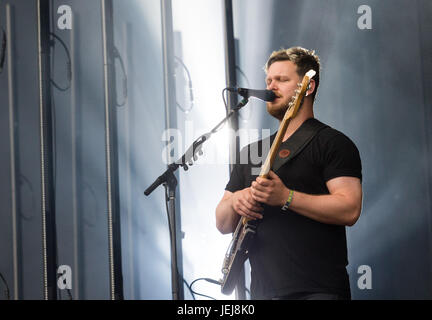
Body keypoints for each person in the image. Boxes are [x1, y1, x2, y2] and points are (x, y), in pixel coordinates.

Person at [215, 47, 363, 300]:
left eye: (282, 80)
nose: (271, 86)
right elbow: (222, 222)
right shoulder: (252, 151)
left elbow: (349, 208)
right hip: (262, 292)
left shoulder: (332, 143)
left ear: (308, 87)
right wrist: (237, 200)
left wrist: (286, 197)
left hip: (318, 290)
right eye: (268, 80)